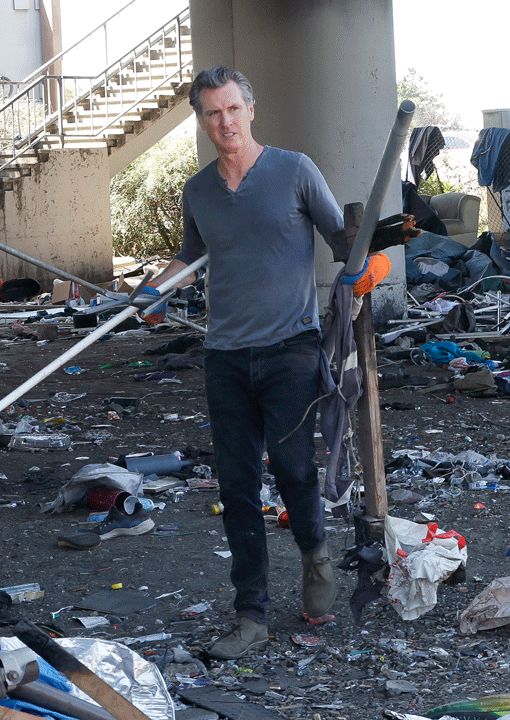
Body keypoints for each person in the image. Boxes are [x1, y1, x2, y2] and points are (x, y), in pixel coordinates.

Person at [141, 66, 390, 660]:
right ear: (202, 121)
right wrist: (154, 290)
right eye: (212, 113)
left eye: (232, 109)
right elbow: (191, 256)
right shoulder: (199, 192)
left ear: (250, 110)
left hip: (290, 350)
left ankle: (316, 559)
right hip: (225, 356)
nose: (224, 122)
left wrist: (370, 264)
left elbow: (342, 239)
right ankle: (250, 612)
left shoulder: (294, 170)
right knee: (237, 484)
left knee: (295, 469)